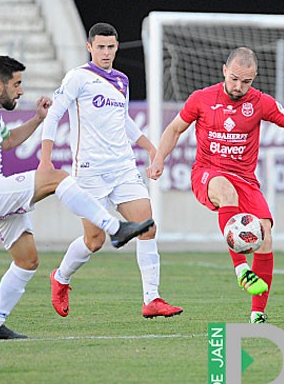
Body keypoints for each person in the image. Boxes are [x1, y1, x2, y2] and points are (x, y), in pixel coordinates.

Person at [0, 56, 154, 340]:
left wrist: (37, 120)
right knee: (57, 177)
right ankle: (115, 229)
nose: (21, 91)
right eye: (16, 84)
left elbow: (8, 142)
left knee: (27, 261)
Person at [147, 47, 284, 323]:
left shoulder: (260, 102)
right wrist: (159, 159)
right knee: (225, 190)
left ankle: (257, 313)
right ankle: (240, 270)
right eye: (234, 79)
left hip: (246, 179)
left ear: (254, 77)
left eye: (246, 81)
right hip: (208, 173)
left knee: (266, 235)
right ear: (224, 70)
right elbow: (175, 128)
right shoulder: (201, 99)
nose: (238, 86)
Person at [39, 23, 183, 319]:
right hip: (90, 171)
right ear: (89, 47)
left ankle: (152, 299)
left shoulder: (121, 80)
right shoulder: (78, 77)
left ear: (117, 47)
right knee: (95, 241)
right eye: (100, 47)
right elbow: (54, 114)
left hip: (122, 167)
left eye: (111, 47)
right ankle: (61, 278)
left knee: (147, 227)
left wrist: (150, 147)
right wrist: (45, 159)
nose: (106, 52)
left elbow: (124, 119)